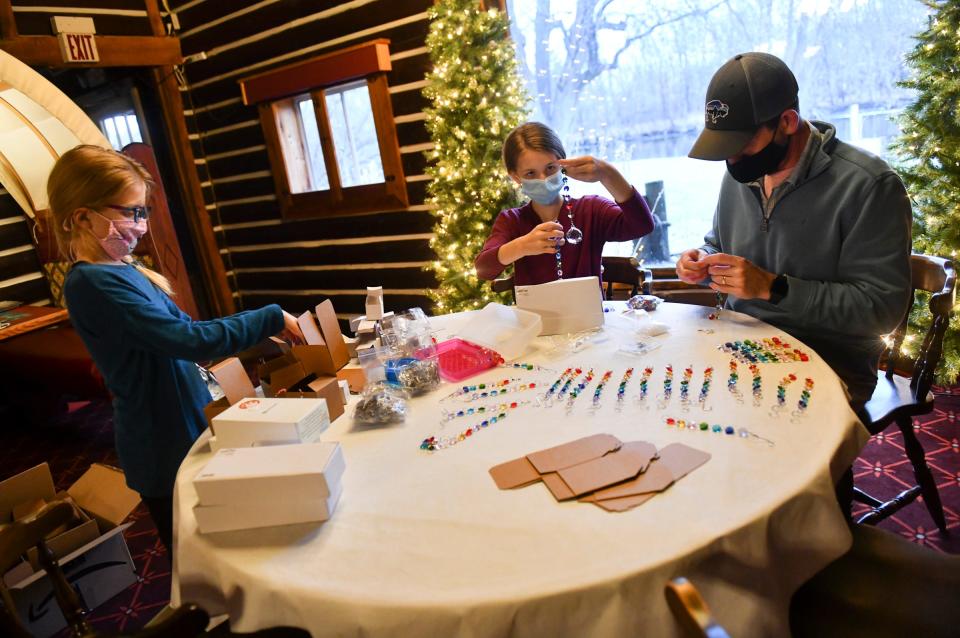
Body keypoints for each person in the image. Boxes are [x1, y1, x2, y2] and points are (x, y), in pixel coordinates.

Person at [48, 145, 305, 553]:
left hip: (184, 422)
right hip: (162, 443)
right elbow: (187, 341)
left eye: (143, 212)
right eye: (130, 212)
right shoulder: (92, 283)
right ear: (83, 216)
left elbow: (185, 330)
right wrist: (269, 316)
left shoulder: (124, 270)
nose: (141, 225)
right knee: (199, 560)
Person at [676, 52, 912, 409]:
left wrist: (775, 288)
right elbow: (718, 241)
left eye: (741, 145)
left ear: (787, 121)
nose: (733, 160)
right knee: (671, 400)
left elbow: (880, 309)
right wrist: (704, 260)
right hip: (741, 343)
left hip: (832, 363)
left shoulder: (869, 185)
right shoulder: (740, 173)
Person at [475, 122, 655, 286]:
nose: (543, 179)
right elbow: (484, 268)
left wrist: (608, 174)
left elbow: (642, 225)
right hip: (534, 320)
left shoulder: (591, 210)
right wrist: (521, 246)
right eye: (530, 173)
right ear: (515, 177)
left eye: (550, 168)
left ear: (564, 164)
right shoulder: (512, 221)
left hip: (587, 320)